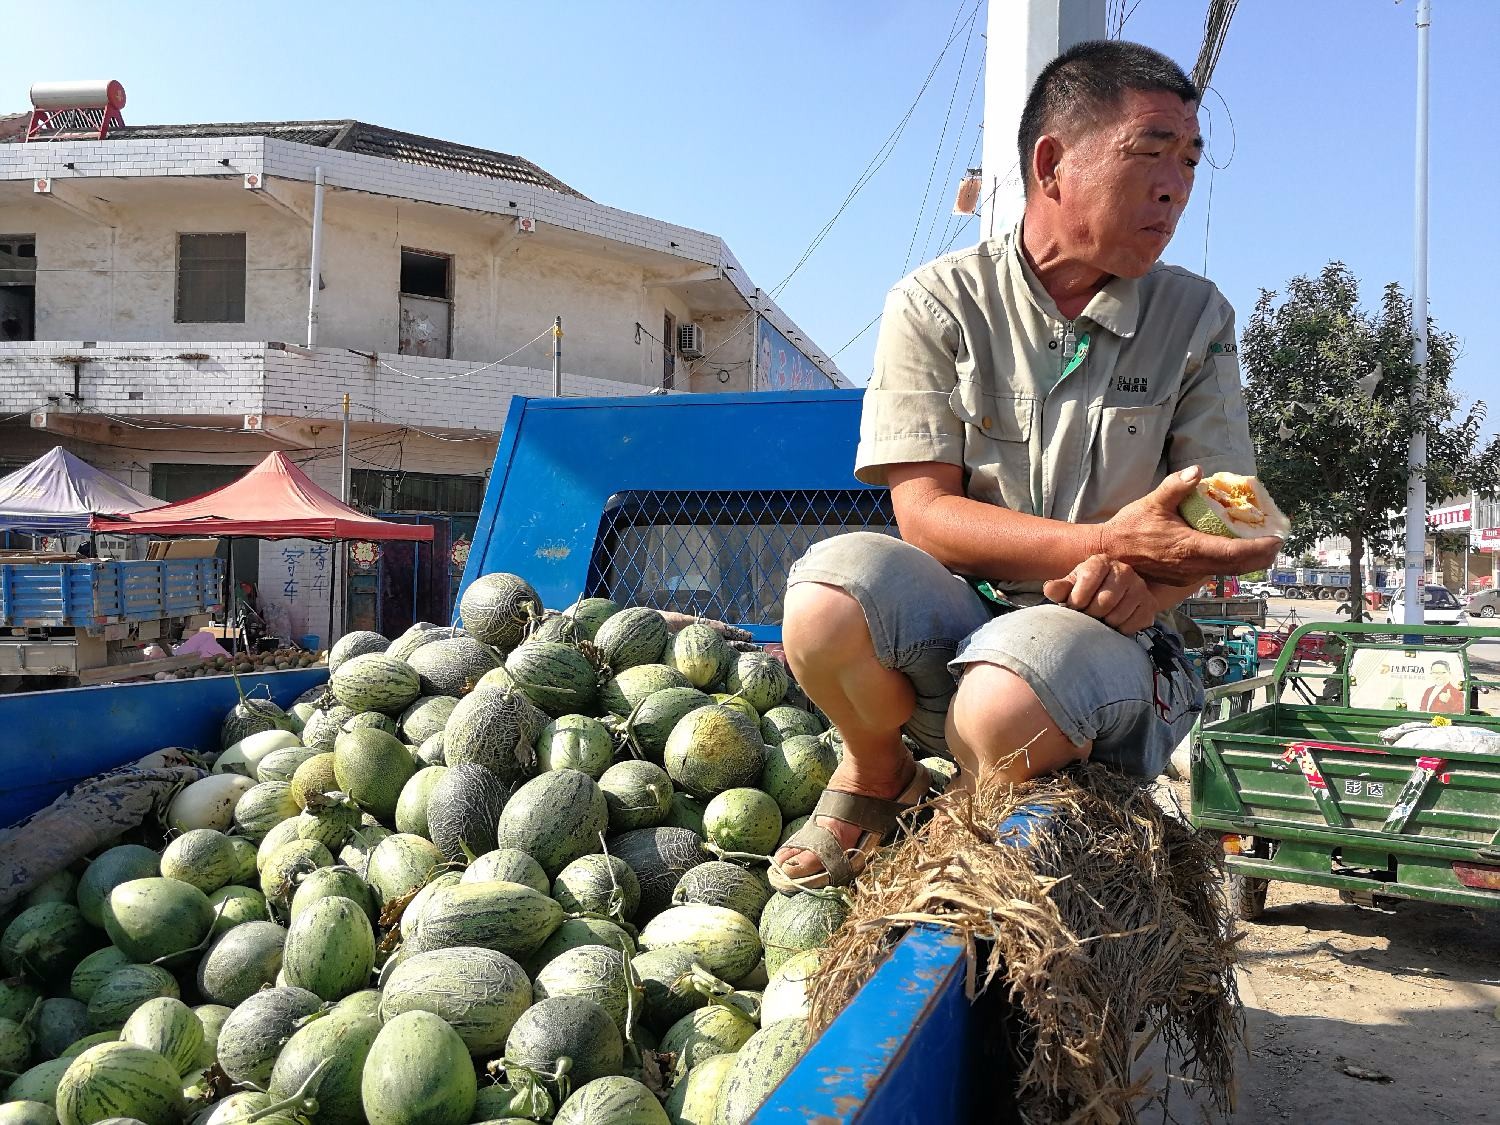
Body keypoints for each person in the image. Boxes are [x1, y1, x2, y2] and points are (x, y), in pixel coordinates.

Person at [770, 41, 1282, 892]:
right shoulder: (936, 303)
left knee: (1001, 701)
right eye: (1151, 150)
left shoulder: (1196, 315)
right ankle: (877, 772)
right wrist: (1106, 541)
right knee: (826, 597)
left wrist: (1147, 589)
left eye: (1189, 161)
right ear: (1052, 164)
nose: (1177, 186)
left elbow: (1228, 515)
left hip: (1114, 643)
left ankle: (962, 824)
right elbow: (926, 515)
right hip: (959, 617)